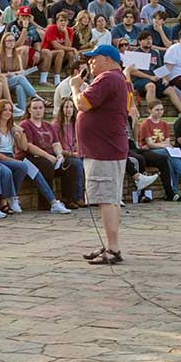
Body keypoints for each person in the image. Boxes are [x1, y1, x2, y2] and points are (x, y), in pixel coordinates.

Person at [73, 45, 132, 265]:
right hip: (109, 148)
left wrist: (74, 87)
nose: (90, 63)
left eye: (93, 58)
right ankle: (110, 244)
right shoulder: (120, 79)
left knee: (106, 199)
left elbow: (82, 103)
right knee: (112, 200)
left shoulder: (107, 78)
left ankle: (113, 248)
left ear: (107, 59)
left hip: (103, 150)